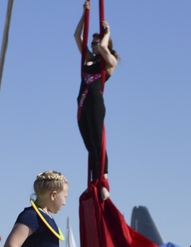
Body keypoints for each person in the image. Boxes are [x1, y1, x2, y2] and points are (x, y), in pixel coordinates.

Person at [75, 1, 118, 199]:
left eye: (95, 42)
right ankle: (94, 179)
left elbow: (102, 46)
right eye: (91, 43)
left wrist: (106, 33)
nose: (93, 45)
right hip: (82, 106)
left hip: (95, 105)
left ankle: (104, 181)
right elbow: (77, 36)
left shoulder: (108, 63)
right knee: (90, 146)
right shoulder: (88, 60)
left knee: (99, 144)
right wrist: (86, 14)